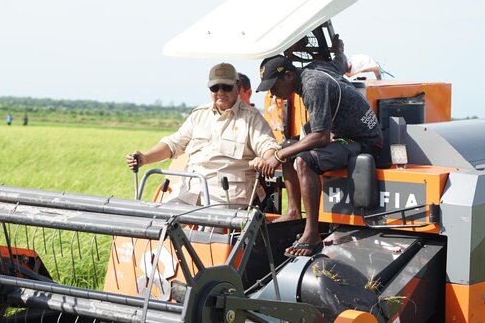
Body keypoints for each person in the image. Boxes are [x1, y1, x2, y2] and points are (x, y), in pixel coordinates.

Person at [251, 56, 382, 256]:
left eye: (274, 86)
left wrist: (277, 157)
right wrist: (338, 50)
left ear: (288, 75)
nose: (272, 92)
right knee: (286, 147)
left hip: (365, 143)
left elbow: (320, 137)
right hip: (342, 135)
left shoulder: (312, 85)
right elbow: (338, 61)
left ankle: (312, 233)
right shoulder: (311, 72)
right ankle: (293, 212)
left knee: (304, 160)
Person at [126, 63, 279, 207]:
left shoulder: (251, 118)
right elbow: (173, 144)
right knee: (158, 221)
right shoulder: (199, 115)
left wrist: (264, 160)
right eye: (214, 87)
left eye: (226, 87)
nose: (220, 92)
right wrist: (145, 158)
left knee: (209, 233)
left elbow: (268, 147)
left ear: (238, 86)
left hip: (226, 197)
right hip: (190, 190)